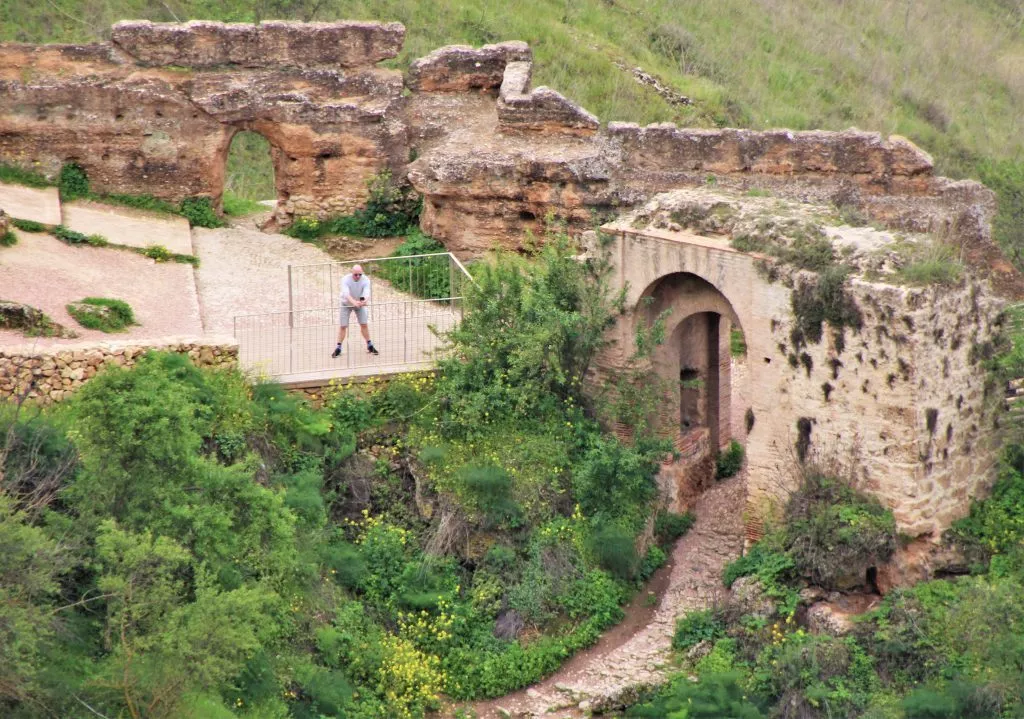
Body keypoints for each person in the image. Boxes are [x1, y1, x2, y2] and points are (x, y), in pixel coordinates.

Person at [332, 264, 379, 357]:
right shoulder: (345, 279)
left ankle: (369, 345)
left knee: (364, 324)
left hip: (358, 303)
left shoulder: (366, 279)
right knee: (343, 326)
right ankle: (338, 347)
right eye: (355, 274)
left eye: (360, 274)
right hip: (346, 303)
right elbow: (346, 293)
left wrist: (364, 301)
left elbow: (366, 292)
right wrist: (353, 302)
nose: (358, 276)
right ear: (351, 273)